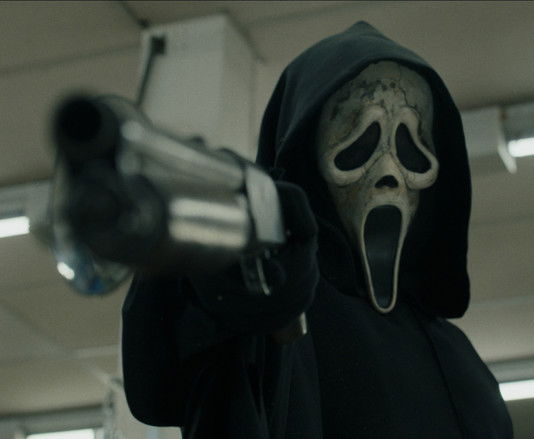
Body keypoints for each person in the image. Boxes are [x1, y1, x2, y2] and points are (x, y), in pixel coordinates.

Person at [121, 21, 513, 438]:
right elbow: (163, 383)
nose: (388, 173)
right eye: (358, 143)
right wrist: (221, 277)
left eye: (411, 147)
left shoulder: (461, 361)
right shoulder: (280, 320)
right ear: (306, 159)